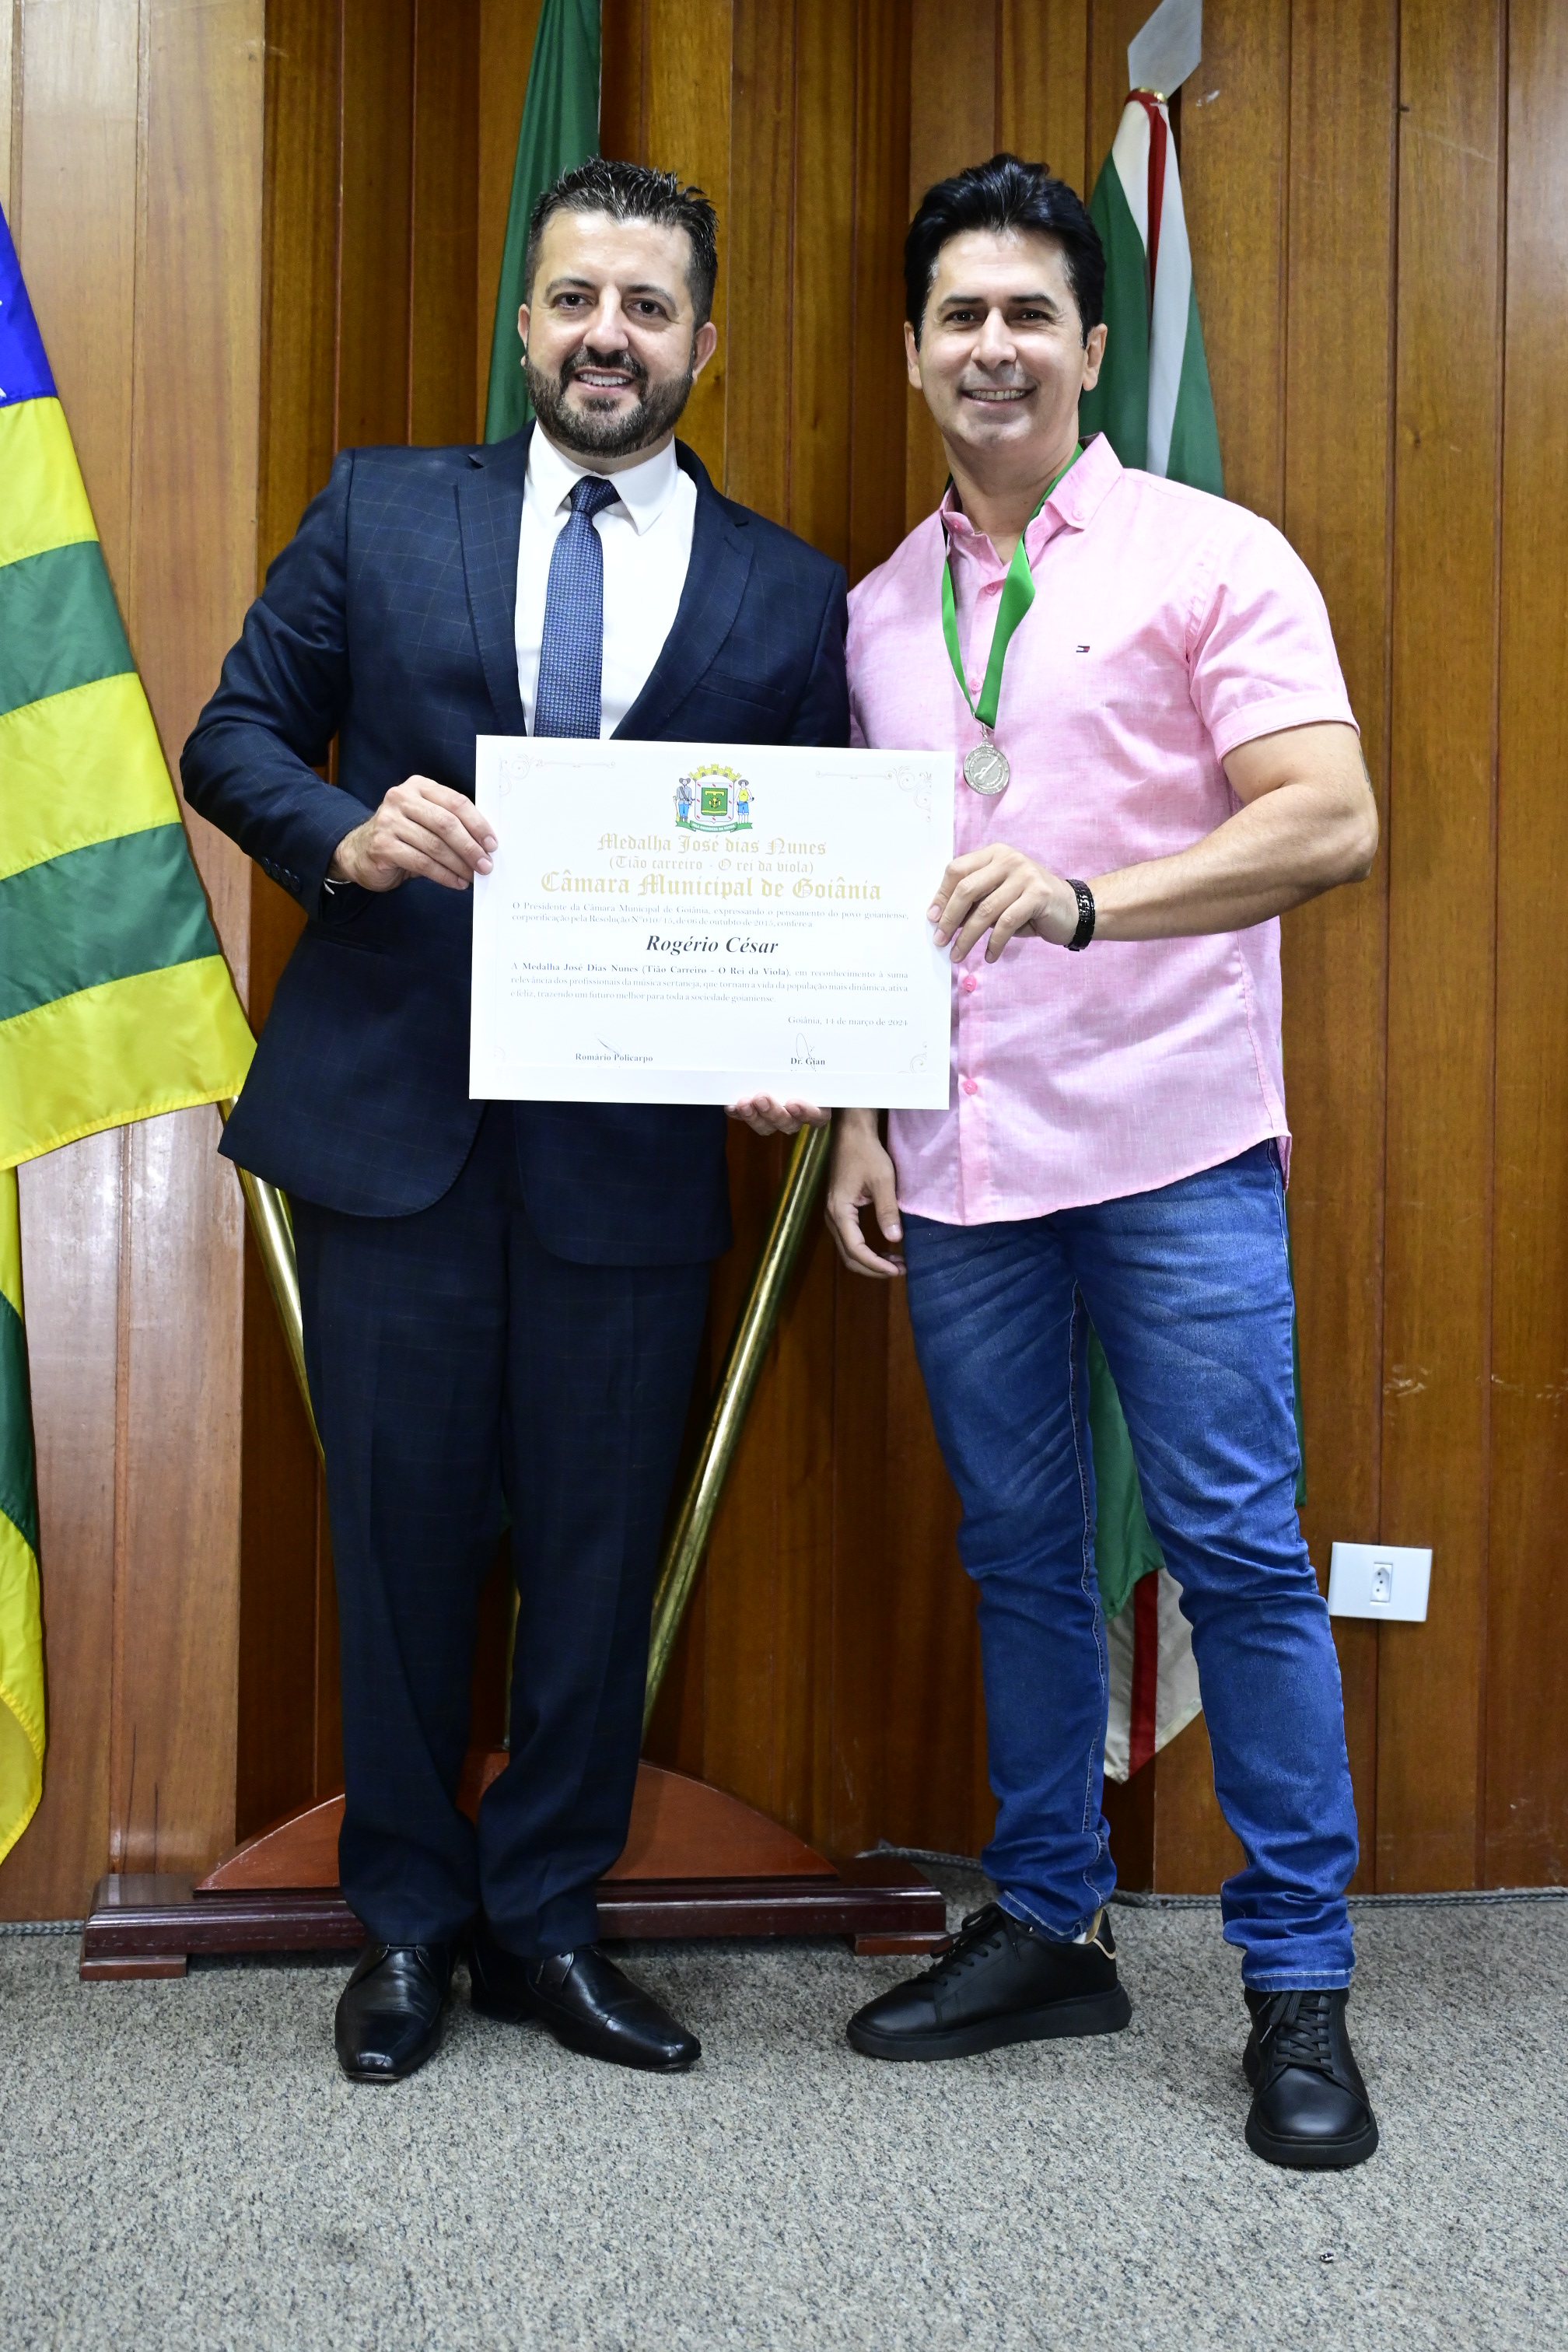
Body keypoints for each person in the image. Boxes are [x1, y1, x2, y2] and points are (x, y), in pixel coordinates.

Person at [181, 159, 848, 2086]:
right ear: (525, 319)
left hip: (628, 1163)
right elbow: (232, 737)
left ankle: (546, 1916)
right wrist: (348, 833)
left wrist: (792, 1037)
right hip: (392, 1132)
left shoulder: (787, 589)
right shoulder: (385, 510)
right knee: (395, 1550)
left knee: (595, 1553)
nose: (605, 337)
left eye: (646, 306)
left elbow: (809, 869)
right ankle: (404, 1921)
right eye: (574, 299)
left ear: (703, 341)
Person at [815, 152, 1379, 2170]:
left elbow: (1328, 821)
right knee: (1021, 1560)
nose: (995, 347)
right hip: (962, 1168)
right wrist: (861, 1109)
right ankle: (1050, 1924)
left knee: (1236, 1553)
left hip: (1173, 1147)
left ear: (1091, 343)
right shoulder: (876, 613)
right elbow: (868, 894)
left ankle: (1297, 1983)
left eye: (1029, 314)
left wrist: (1086, 902)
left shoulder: (1211, 553)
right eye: (960, 315)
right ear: (913, 351)